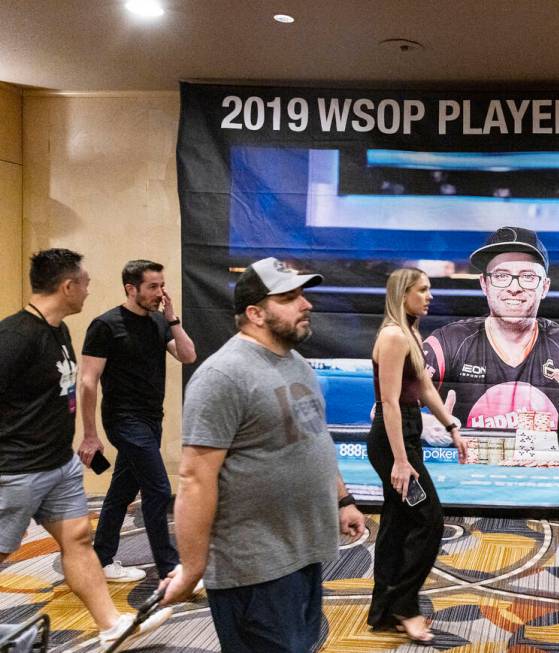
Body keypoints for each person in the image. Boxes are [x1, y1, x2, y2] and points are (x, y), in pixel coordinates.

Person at [161, 256, 366, 653]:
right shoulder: (222, 376)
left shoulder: (295, 363)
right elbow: (194, 479)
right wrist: (191, 569)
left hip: (302, 553)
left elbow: (314, 440)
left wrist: (343, 500)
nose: (305, 304)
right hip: (253, 567)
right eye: (289, 297)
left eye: (302, 295)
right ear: (255, 313)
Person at [0, 248, 171, 646]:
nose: (89, 290)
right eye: (86, 283)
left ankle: (111, 625)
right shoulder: (15, 337)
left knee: (77, 540)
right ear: (67, 285)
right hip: (18, 470)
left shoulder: (56, 329)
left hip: (58, 466)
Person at [77, 259, 196, 583]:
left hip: (151, 420)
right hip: (123, 421)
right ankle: (169, 568)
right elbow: (88, 381)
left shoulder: (159, 323)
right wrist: (90, 435)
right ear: (131, 288)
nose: (160, 293)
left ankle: (101, 558)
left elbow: (188, 355)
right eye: (152, 287)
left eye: (162, 285)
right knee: (157, 490)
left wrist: (172, 319)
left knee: (121, 490)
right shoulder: (106, 325)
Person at [367, 268, 468, 643]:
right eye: (422, 290)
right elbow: (389, 404)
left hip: (405, 434)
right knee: (429, 520)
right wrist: (401, 460)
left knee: (397, 524)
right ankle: (405, 607)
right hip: (394, 440)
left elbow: (424, 387)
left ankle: (383, 611)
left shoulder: (409, 331)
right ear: (403, 293)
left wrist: (453, 426)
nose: (429, 297)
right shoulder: (393, 336)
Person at [423, 226, 559, 436]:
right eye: (501, 276)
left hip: (546, 468)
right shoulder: (448, 342)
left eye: (527, 276)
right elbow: (383, 410)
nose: (514, 287)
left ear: (544, 287)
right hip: (467, 468)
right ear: (484, 284)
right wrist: (424, 425)